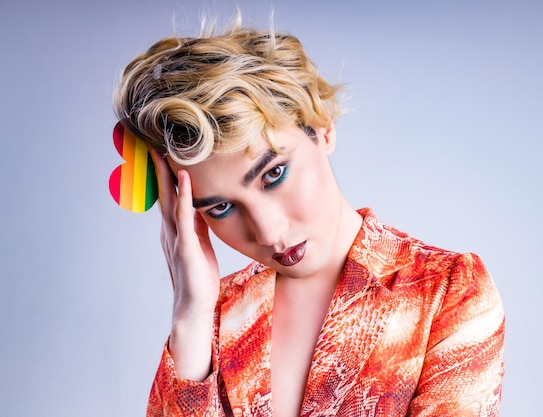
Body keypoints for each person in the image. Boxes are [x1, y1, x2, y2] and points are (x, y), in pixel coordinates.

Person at [113, 13, 505, 417]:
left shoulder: (447, 292)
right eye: (221, 207)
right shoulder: (210, 321)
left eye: (274, 174)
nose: (268, 231)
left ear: (321, 126)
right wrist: (191, 316)